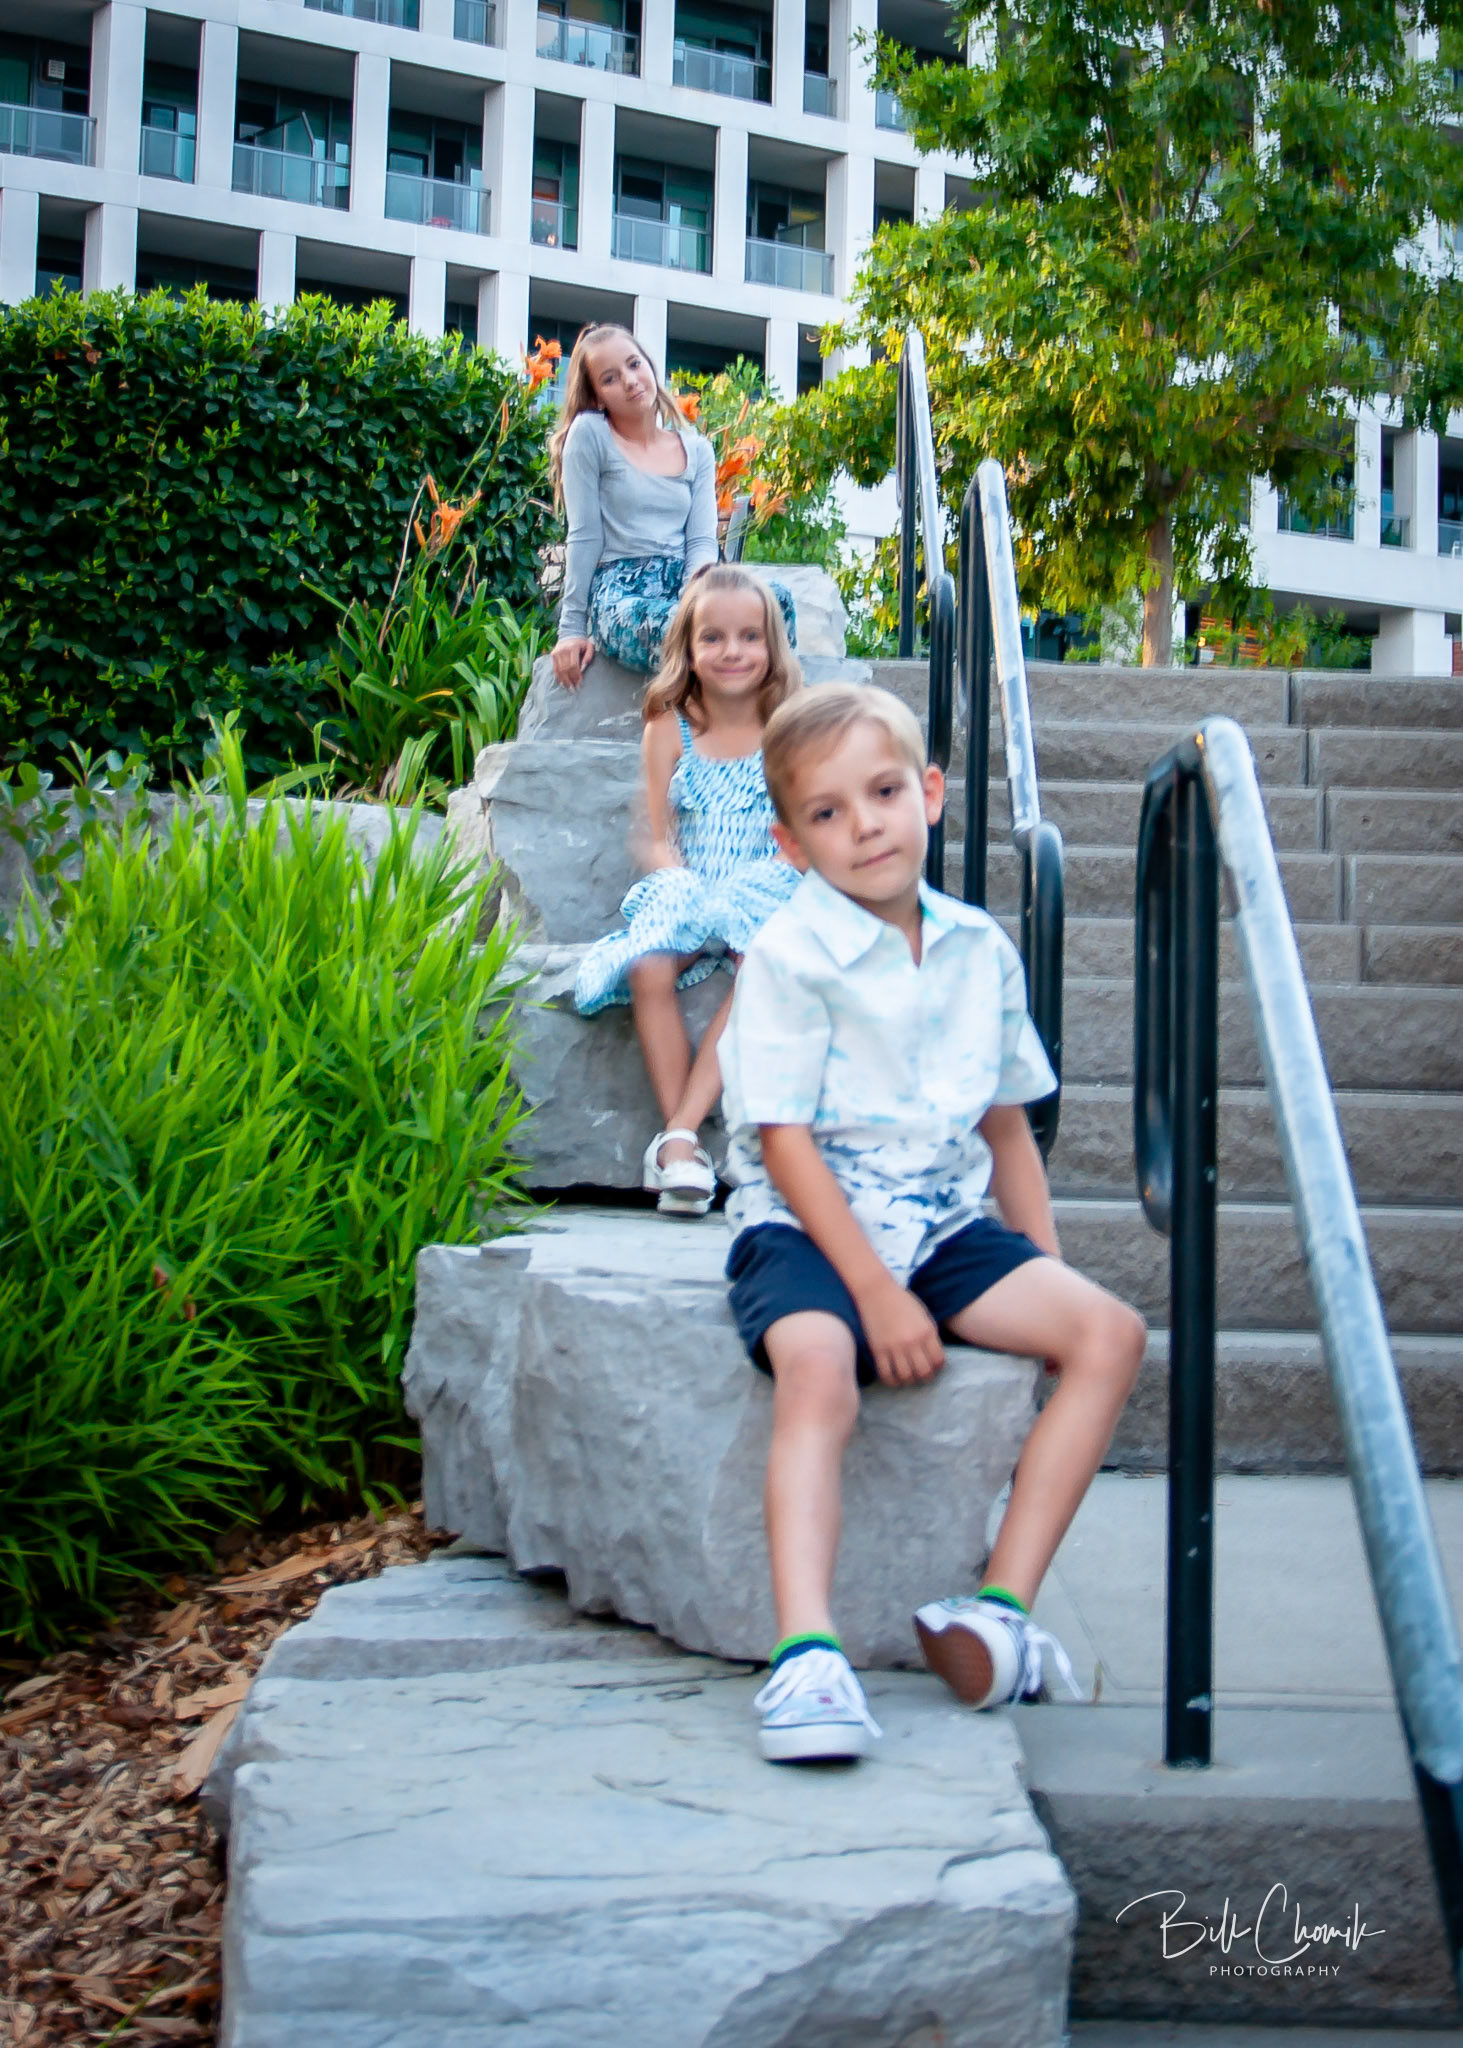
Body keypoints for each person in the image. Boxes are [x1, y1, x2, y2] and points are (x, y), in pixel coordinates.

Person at [717, 683, 1146, 1763]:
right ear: (787, 840)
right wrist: (872, 1294)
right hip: (805, 1226)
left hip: (941, 1221)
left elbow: (1005, 1129)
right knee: (817, 1365)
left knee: (1107, 1332)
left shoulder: (976, 949)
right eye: (825, 812)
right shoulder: (786, 953)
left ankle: (997, 1607)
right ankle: (805, 1653)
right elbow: (783, 1143)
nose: (862, 823)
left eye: (882, 791)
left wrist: (1042, 1269)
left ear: (932, 793)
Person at [573, 564, 804, 1215]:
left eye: (749, 637)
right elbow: (656, 830)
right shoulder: (668, 727)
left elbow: (805, 827)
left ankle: (678, 1136)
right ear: (689, 647)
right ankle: (682, 1149)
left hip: (766, 883)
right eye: (714, 638)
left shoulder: (789, 726)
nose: (732, 652)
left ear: (771, 645)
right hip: (690, 882)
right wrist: (671, 876)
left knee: (761, 967)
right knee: (647, 964)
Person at [547, 324, 795, 690]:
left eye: (634, 365)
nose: (630, 381)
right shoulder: (590, 434)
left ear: (649, 364)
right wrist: (570, 630)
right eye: (610, 378)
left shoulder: (696, 448)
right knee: (683, 630)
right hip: (622, 592)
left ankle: (778, 725)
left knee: (776, 602)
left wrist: (701, 598)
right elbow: (584, 537)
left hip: (687, 583)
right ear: (597, 395)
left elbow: (700, 542)